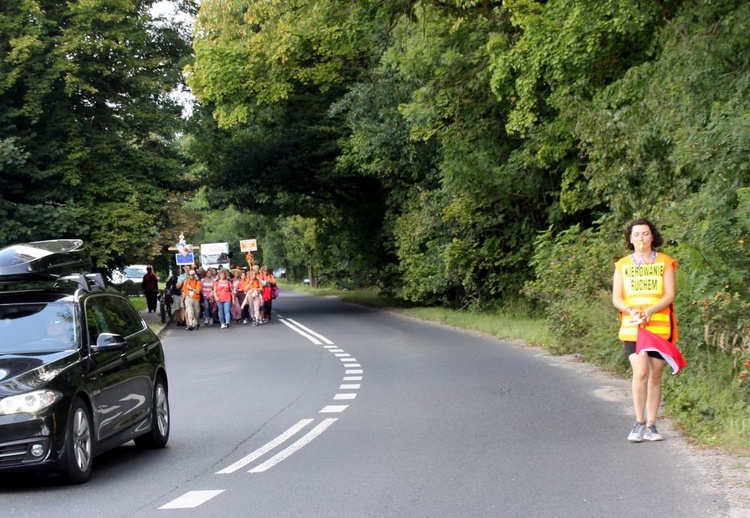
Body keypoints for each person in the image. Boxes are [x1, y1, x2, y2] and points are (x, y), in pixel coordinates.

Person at [612, 218, 677, 443]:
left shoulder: (665, 262)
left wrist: (650, 310)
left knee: (655, 374)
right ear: (630, 238)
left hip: (659, 327)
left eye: (645, 234)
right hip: (633, 328)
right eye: (636, 234)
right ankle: (638, 422)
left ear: (652, 236)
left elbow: (669, 295)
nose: (641, 238)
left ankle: (652, 424)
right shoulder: (622, 265)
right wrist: (630, 309)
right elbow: (617, 297)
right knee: (640, 371)